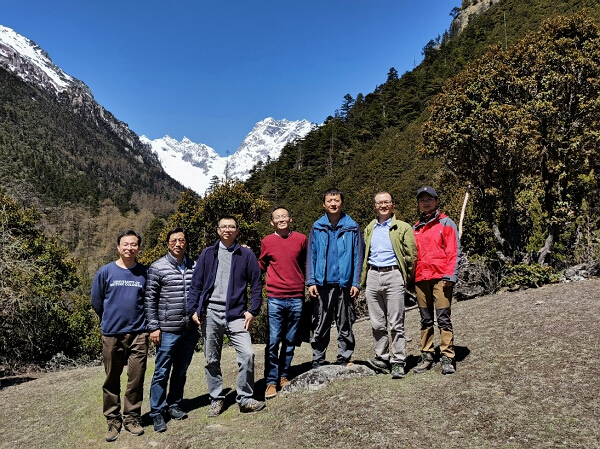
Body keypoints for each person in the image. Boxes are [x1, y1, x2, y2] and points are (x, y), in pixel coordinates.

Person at [187, 216, 265, 417]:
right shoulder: (208, 254)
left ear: (237, 231)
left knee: (247, 354)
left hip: (237, 314)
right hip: (210, 312)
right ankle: (216, 398)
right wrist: (193, 309)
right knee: (211, 359)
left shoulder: (246, 254)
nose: (227, 230)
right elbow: (196, 283)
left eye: (231, 227)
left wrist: (253, 310)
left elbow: (256, 283)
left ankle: (245, 398)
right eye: (223, 227)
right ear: (218, 230)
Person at [91, 230, 148, 443]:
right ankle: (113, 419)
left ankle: (132, 417)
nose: (129, 248)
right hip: (112, 333)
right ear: (118, 247)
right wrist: (109, 320)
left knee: (136, 377)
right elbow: (97, 302)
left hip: (139, 333)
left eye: (133, 245)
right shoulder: (105, 272)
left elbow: (149, 301)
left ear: (138, 248)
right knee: (111, 378)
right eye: (125, 244)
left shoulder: (144, 272)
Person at [145, 227, 199, 432]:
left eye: (182, 240)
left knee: (181, 370)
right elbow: (149, 300)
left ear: (186, 243)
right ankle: (157, 412)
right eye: (174, 240)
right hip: (167, 329)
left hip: (189, 329)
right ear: (168, 243)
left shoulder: (194, 266)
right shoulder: (157, 267)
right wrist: (153, 327)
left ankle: (174, 404)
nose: (178, 244)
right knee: (161, 372)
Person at [361, 192, 417, 379]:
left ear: (393, 205)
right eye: (379, 203)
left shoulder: (403, 227)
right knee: (377, 322)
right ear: (375, 206)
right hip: (373, 275)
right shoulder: (370, 228)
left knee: (396, 322)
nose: (383, 205)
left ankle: (399, 360)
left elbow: (411, 255)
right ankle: (382, 358)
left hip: (393, 274)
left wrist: (405, 277)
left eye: (386, 202)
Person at [306, 188, 364, 367]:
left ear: (342, 203)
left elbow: (358, 256)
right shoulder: (317, 227)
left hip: (345, 283)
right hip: (322, 282)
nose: (333, 204)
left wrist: (356, 282)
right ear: (324, 204)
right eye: (329, 201)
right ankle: (318, 358)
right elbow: (311, 255)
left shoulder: (352, 227)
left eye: (336, 200)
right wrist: (311, 281)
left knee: (345, 321)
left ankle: (344, 357)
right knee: (321, 321)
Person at [258, 206, 307, 399]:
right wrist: (243, 255)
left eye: (284, 216)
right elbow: (261, 265)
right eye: (277, 217)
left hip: (296, 297)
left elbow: (306, 264)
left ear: (290, 219)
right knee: (273, 341)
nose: (281, 219)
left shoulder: (301, 239)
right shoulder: (267, 241)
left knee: (290, 340)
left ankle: (284, 375)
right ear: (272, 222)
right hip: (275, 298)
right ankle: (271, 381)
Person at [412, 186, 462, 375]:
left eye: (429, 199)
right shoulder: (415, 227)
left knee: (443, 318)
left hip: (441, 278)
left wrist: (450, 275)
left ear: (437, 201)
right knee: (425, 319)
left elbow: (453, 251)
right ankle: (427, 355)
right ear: (418, 203)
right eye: (422, 200)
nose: (426, 203)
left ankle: (447, 356)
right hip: (421, 279)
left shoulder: (446, 223)